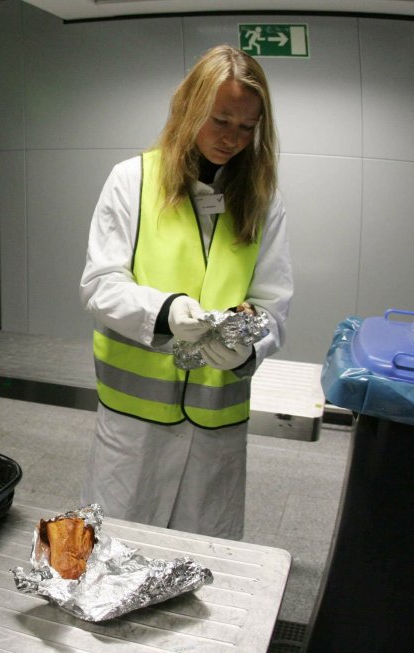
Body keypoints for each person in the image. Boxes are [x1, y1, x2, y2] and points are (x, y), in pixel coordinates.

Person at [78, 45, 293, 540]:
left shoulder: (263, 200)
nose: (231, 139)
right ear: (189, 108)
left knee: (203, 556)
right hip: (135, 423)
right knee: (118, 547)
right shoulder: (132, 180)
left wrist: (246, 344)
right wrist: (167, 311)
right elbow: (99, 284)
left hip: (215, 422)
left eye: (245, 128)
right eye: (220, 121)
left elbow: (272, 305)